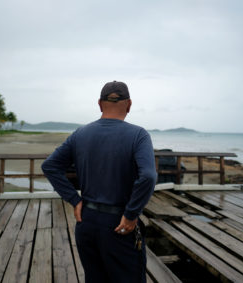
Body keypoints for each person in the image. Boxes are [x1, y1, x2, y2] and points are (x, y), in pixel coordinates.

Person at [41, 81, 157, 283]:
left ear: (99, 104)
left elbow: (50, 166)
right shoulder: (139, 135)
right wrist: (131, 214)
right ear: (129, 104)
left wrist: (74, 200)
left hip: (86, 222)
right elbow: (148, 176)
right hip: (120, 225)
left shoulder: (81, 134)